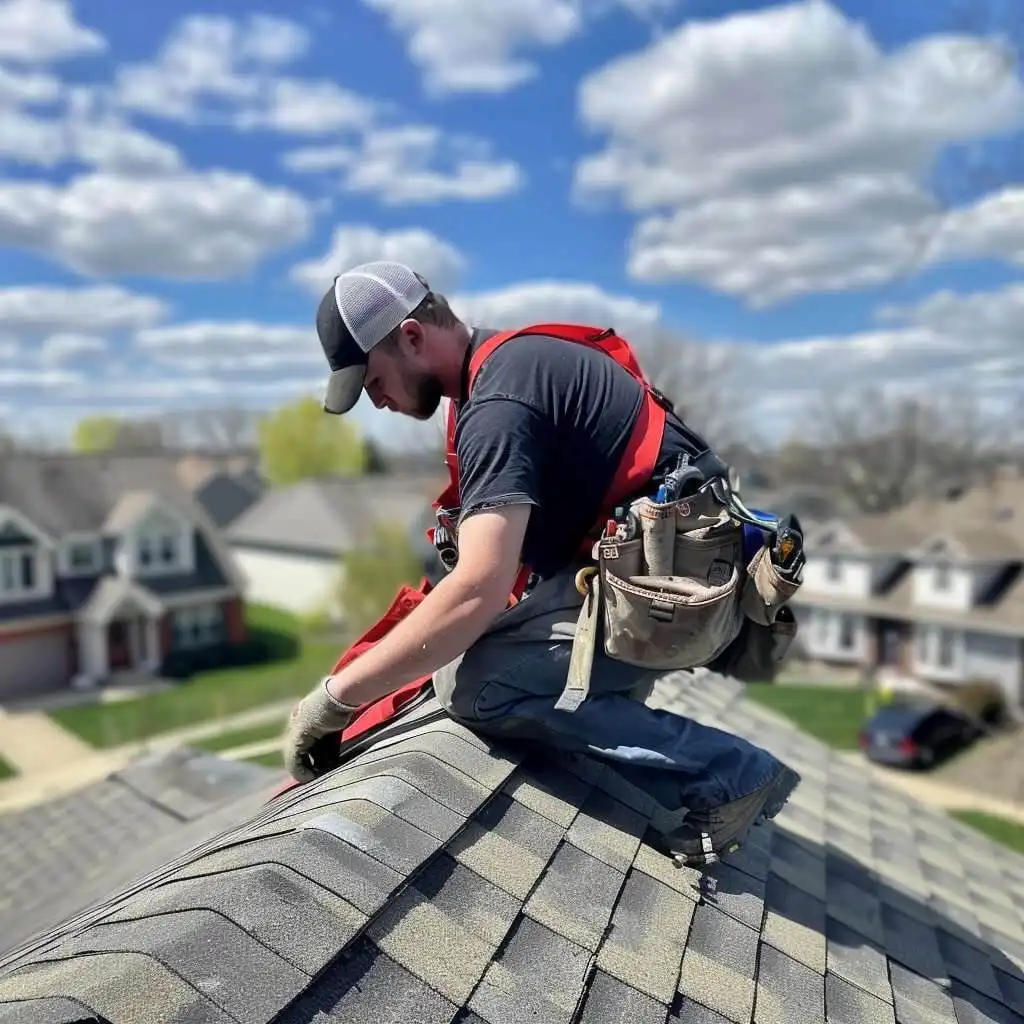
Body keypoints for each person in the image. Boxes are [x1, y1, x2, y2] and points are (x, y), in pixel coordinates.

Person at [283, 260, 801, 867]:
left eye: (372, 383)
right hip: (666, 585)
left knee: (476, 686)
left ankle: (729, 774)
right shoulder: (512, 361)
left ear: (413, 338)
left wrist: (334, 700)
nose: (377, 402)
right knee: (475, 655)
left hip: (671, 598)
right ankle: (611, 702)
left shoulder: (499, 401)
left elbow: (479, 586)